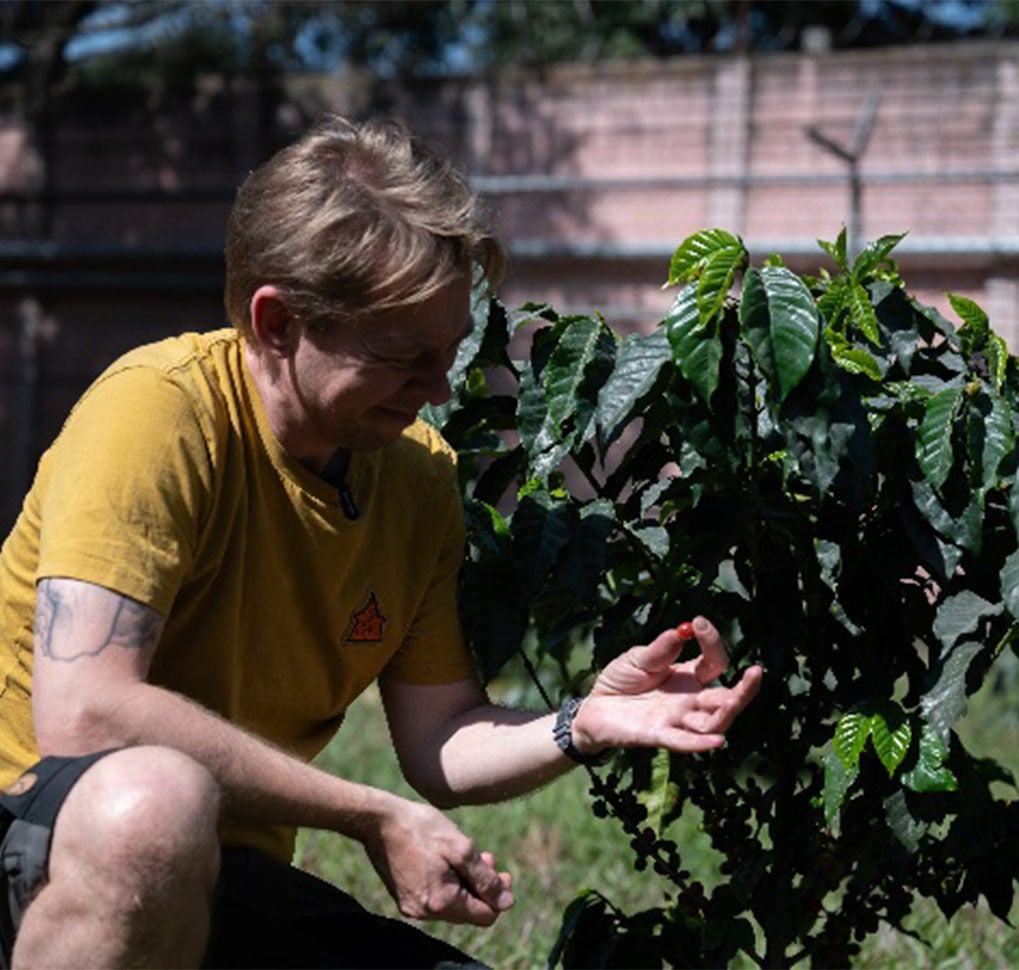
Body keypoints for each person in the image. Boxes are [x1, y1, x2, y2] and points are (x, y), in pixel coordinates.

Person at [0, 115, 763, 969]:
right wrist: (368, 813)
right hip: (41, 843)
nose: (438, 388)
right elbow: (86, 714)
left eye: (449, 352)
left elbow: (442, 738)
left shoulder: (415, 475)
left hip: (222, 880)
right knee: (150, 805)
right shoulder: (158, 412)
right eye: (405, 356)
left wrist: (582, 721)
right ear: (278, 322)